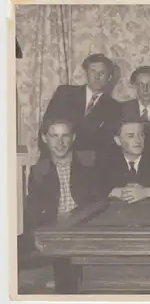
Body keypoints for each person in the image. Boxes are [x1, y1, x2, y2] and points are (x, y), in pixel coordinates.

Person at [25, 118, 99, 294]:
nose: (60, 143)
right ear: (45, 138)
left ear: (73, 137)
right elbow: (33, 209)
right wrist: (37, 235)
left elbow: (99, 199)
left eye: (65, 136)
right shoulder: (39, 171)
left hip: (86, 227)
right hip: (57, 231)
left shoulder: (89, 163)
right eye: (54, 136)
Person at [39, 53, 122, 157]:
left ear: (109, 77)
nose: (97, 77)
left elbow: (106, 147)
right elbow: (45, 128)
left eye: (102, 73)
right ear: (86, 73)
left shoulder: (115, 108)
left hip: (90, 166)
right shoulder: (65, 93)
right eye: (93, 71)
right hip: (55, 160)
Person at [98, 118, 150, 203]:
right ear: (118, 140)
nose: (138, 140)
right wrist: (112, 192)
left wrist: (148, 192)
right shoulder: (105, 162)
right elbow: (92, 191)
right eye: (131, 136)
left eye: (141, 135)